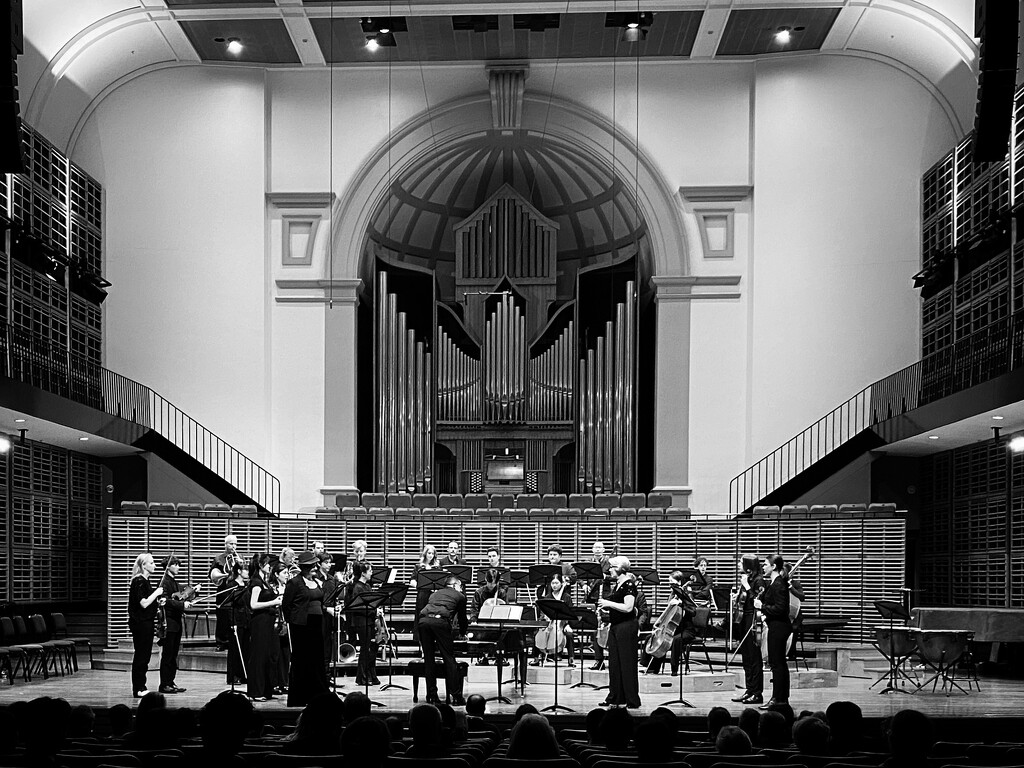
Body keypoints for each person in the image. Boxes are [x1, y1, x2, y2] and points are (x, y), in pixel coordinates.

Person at [282, 550, 330, 707]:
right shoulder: (294, 583)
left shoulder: (316, 582)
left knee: (316, 661)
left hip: (317, 626)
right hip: (301, 627)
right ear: (305, 566)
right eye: (312, 565)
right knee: (302, 661)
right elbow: (286, 606)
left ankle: (318, 694)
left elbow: (320, 601)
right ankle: (300, 696)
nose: (315, 567)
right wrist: (292, 622)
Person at [597, 555, 641, 708]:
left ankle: (631, 699)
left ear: (619, 569)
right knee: (615, 664)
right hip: (616, 626)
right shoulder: (618, 583)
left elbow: (628, 607)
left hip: (626, 627)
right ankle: (615, 697)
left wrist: (608, 603)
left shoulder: (629, 585)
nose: (609, 570)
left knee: (627, 663)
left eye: (611, 567)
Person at [418, 574, 469, 706]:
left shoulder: (434, 594)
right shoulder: (460, 596)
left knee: (429, 659)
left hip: (423, 621)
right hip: (440, 622)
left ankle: (431, 695)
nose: (461, 588)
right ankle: (456, 696)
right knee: (449, 658)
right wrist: (463, 633)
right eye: (460, 585)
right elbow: (462, 618)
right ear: (454, 585)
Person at [754, 553, 791, 707]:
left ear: (774, 566)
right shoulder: (775, 583)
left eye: (765, 564)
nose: (763, 566)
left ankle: (778, 698)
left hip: (779, 626)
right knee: (778, 663)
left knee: (777, 663)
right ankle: (781, 698)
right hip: (776, 625)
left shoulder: (779, 585)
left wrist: (761, 607)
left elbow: (781, 609)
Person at [646, 570, 697, 676]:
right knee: (654, 637)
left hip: (687, 629)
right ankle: (652, 668)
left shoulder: (687, 594)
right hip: (674, 628)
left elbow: (693, 612)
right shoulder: (672, 595)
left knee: (675, 640)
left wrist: (681, 603)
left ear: (679, 582)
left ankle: (674, 669)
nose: (670, 585)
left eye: (672, 582)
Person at [247, 553, 283, 702]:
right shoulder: (256, 582)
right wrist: (274, 601)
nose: (270, 566)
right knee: (259, 657)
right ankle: (256, 691)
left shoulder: (265, 581)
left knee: (269, 656)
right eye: (267, 564)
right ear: (261, 565)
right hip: (260, 623)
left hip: (268, 622)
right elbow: (253, 605)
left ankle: (266, 689)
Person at [128, 553, 165, 698]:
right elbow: (143, 603)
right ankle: (138, 688)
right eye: (152, 562)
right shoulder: (139, 581)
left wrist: (157, 603)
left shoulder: (145, 581)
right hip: (140, 624)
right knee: (141, 656)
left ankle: (141, 686)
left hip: (146, 623)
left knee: (145, 656)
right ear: (144, 565)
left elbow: (148, 604)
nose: (154, 565)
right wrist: (156, 593)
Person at [731, 554, 765, 704]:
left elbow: (758, 600)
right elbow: (745, 600)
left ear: (749, 566)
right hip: (744, 620)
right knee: (746, 658)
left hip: (753, 620)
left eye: (740, 562)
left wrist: (746, 587)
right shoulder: (748, 578)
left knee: (754, 658)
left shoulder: (759, 580)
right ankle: (749, 690)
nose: (738, 564)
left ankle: (757, 693)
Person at [157, 554, 191, 694]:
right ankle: (164, 684)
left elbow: (177, 597)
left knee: (173, 654)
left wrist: (191, 594)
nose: (178, 567)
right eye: (175, 565)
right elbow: (166, 600)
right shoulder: (164, 581)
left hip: (175, 621)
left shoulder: (173, 581)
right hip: (168, 621)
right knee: (168, 654)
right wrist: (182, 605)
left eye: (178, 565)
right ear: (168, 566)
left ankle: (170, 681)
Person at [347, 560, 381, 686]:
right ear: (363, 573)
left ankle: (370, 675)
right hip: (361, 621)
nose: (372, 573)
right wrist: (373, 610)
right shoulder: (357, 587)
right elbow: (358, 607)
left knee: (370, 649)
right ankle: (362, 678)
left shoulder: (367, 586)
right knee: (365, 650)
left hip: (369, 620)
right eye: (370, 571)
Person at [532, 572, 575, 666]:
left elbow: (570, 613)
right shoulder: (547, 597)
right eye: (553, 583)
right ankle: (536, 658)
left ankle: (571, 659)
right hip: (549, 623)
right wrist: (543, 621)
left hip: (562, 623)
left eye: (557, 583)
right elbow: (543, 613)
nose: (554, 586)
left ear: (561, 584)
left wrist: (567, 624)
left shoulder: (566, 597)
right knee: (536, 633)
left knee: (569, 634)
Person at [209, 535, 240, 651]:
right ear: (225, 544)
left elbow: (244, 572)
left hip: (236, 589)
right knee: (222, 617)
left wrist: (240, 563)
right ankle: (221, 642)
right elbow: (211, 575)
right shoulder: (219, 559)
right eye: (231, 544)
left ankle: (233, 642)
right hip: (223, 590)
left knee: (234, 617)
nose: (233, 546)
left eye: (235, 544)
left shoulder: (239, 557)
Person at [587, 541, 611, 670]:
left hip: (605, 598)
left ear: (604, 550)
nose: (597, 550)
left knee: (603, 628)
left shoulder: (609, 562)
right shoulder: (588, 562)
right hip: (591, 597)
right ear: (592, 549)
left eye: (600, 547)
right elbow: (580, 576)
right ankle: (598, 660)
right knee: (593, 628)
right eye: (595, 547)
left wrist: (605, 576)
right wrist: (583, 585)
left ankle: (607, 658)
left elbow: (614, 577)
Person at [225, 560, 250, 685]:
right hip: (236, 620)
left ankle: (243, 674)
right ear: (239, 571)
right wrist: (232, 622)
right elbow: (228, 605)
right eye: (246, 570)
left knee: (245, 648)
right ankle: (233, 676)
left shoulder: (246, 585)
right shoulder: (231, 585)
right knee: (235, 649)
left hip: (245, 619)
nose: (248, 572)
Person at [410, 544, 442, 642]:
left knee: (433, 618)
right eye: (429, 553)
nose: (430, 555)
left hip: (433, 596)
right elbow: (412, 581)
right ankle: (421, 644)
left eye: (432, 553)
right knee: (422, 617)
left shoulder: (437, 567)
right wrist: (420, 586)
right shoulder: (418, 566)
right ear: (425, 554)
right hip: (422, 595)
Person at [272, 562, 291, 695]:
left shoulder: (288, 587)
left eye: (287, 573)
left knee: (286, 655)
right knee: (276, 655)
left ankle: (285, 682)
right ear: (276, 575)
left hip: (286, 624)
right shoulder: (272, 589)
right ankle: (275, 683)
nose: (287, 575)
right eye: (284, 573)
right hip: (275, 625)